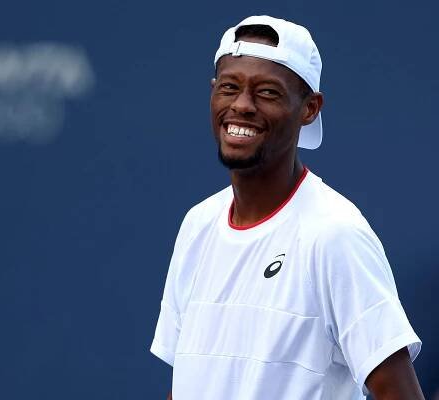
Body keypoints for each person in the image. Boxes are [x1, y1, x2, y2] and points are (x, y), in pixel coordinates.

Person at [150, 15, 424, 400]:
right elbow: (187, 383)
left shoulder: (335, 234)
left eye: (267, 92)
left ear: (310, 108)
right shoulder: (197, 225)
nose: (241, 106)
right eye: (229, 87)